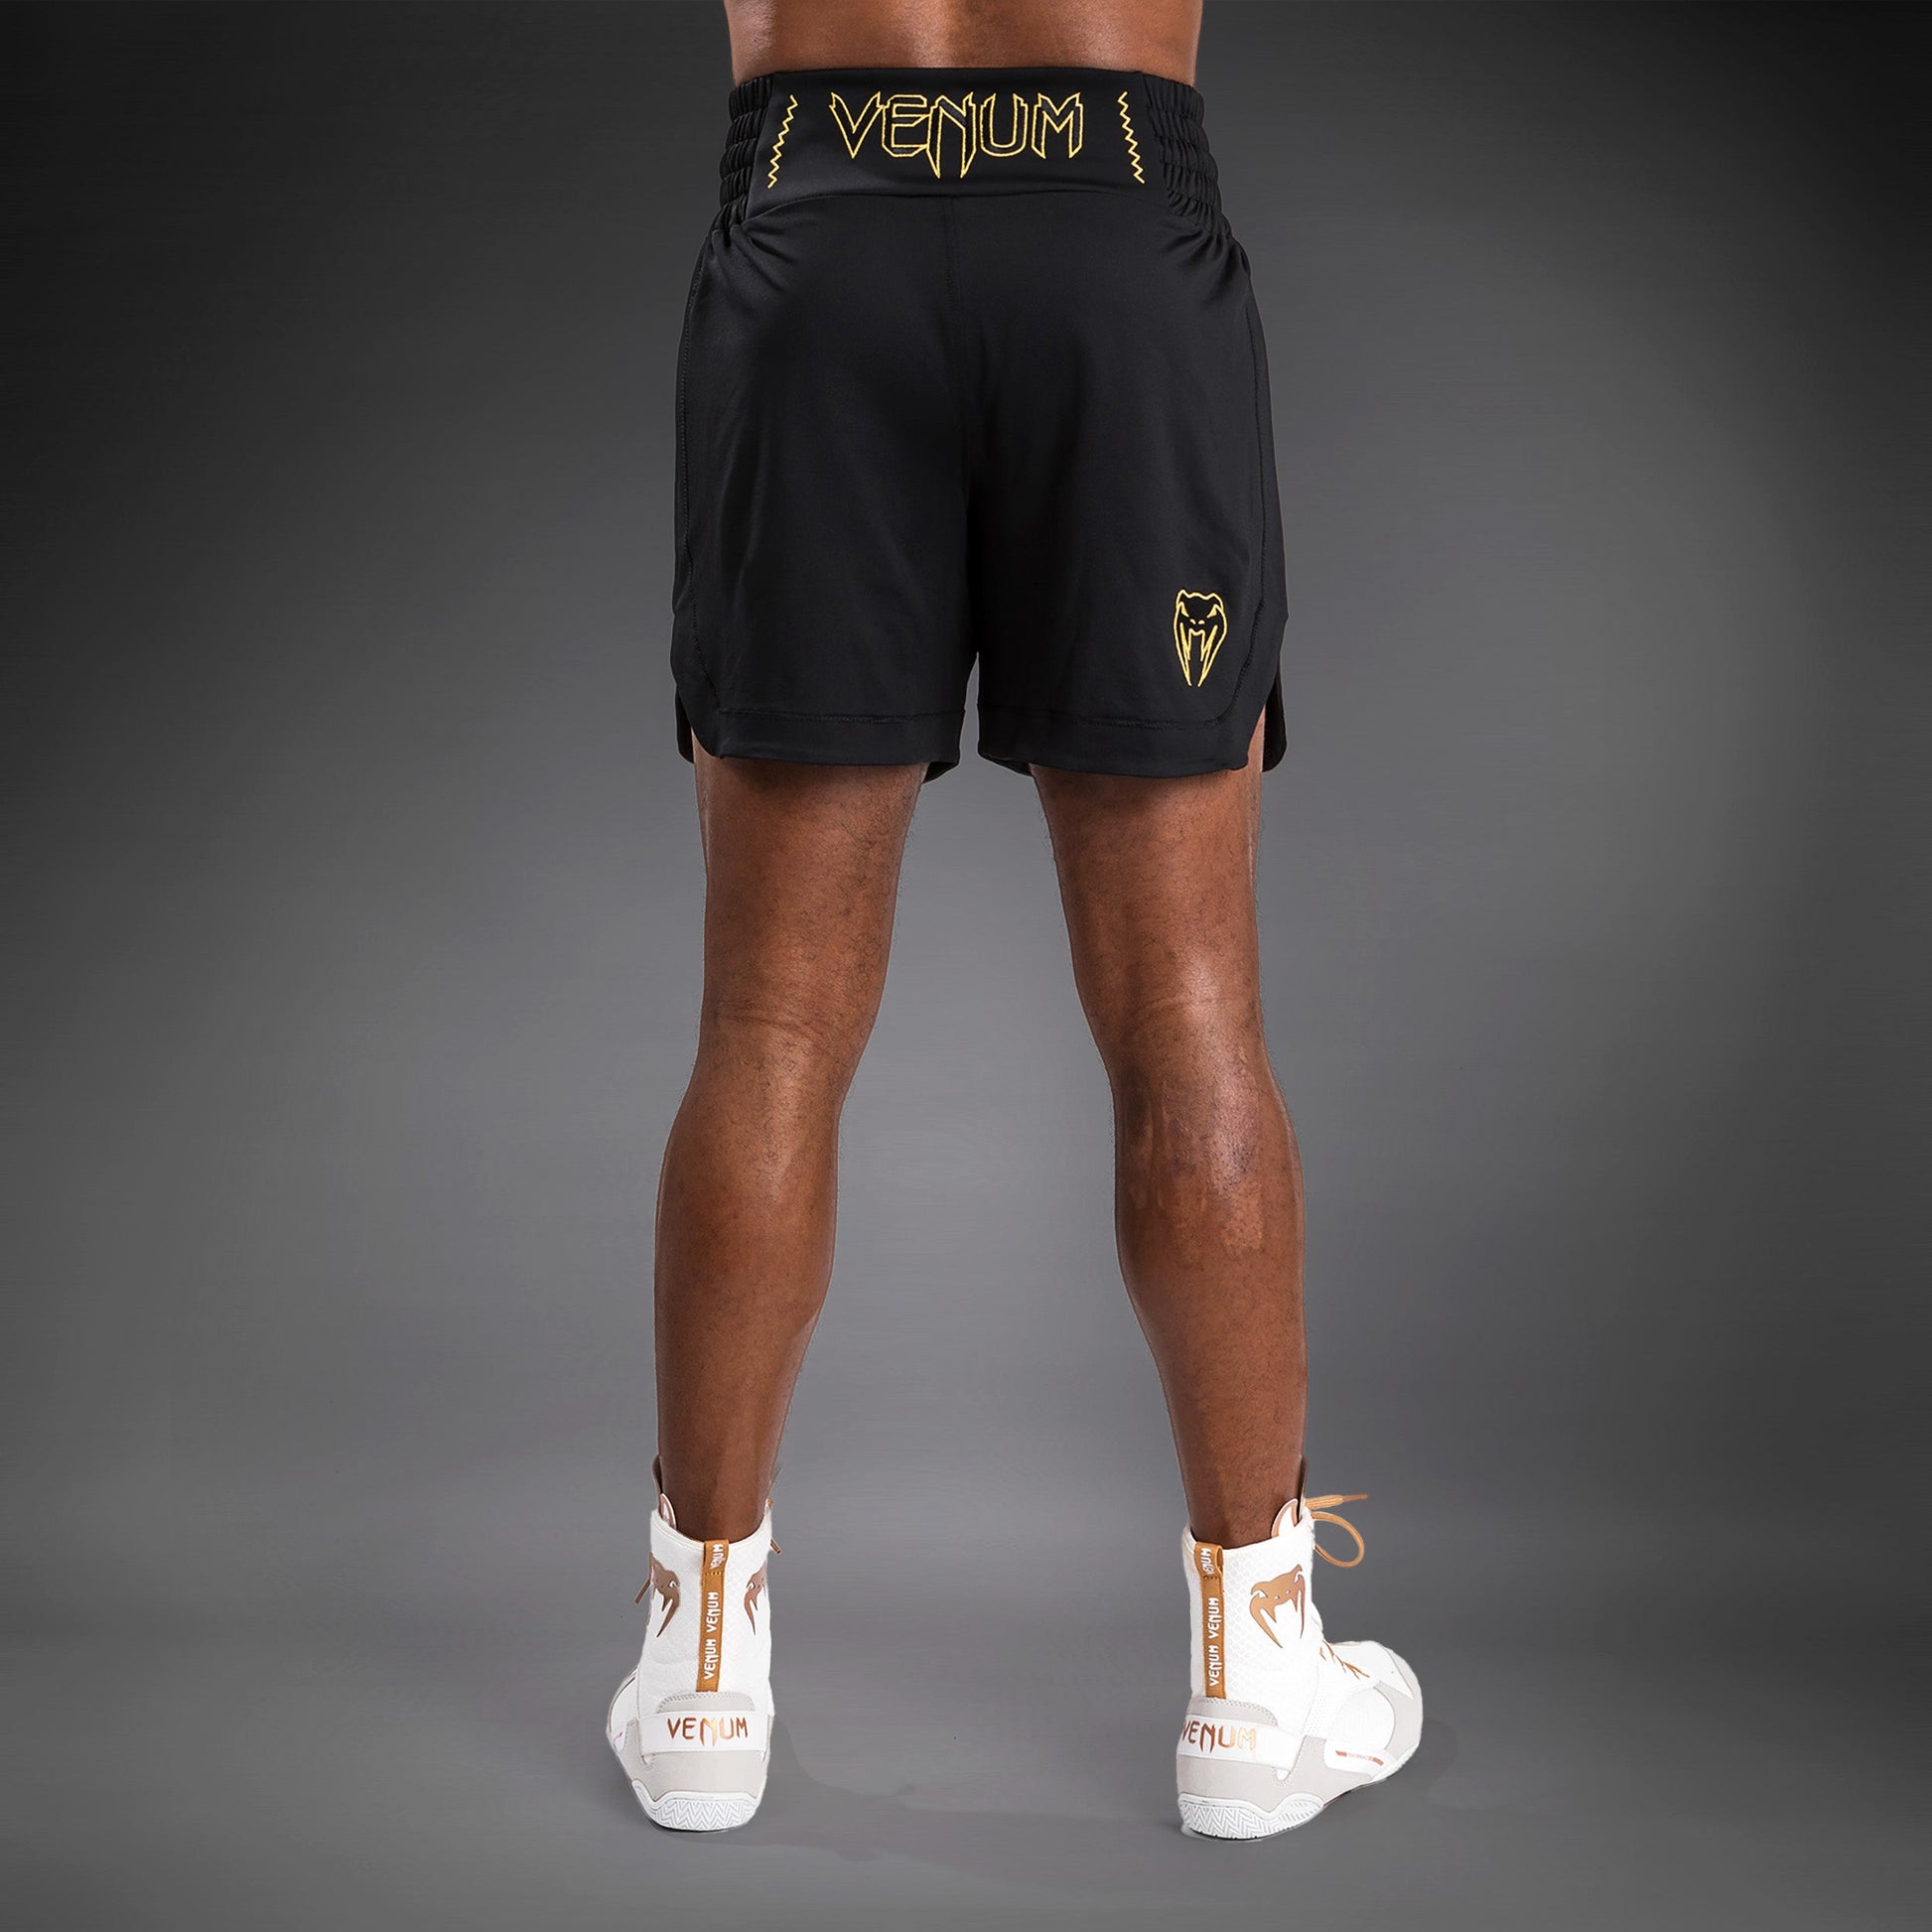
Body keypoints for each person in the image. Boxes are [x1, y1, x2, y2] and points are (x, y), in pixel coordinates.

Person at [606, 0, 1420, 1840]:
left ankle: (701, 1674)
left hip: (817, 211)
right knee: (1188, 1014)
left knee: (767, 1028)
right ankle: (1255, 1679)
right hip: (1112, 218)